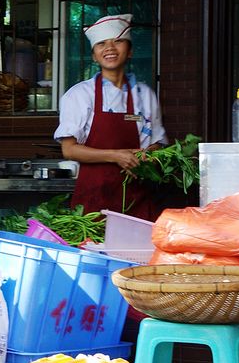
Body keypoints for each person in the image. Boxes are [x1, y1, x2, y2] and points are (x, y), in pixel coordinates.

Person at [54, 13, 168, 221]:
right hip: (94, 202)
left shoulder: (145, 95)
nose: (110, 48)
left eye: (118, 41)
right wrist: (116, 156)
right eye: (101, 44)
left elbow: (157, 145)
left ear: (130, 51)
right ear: (94, 56)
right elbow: (69, 149)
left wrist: (145, 157)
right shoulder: (79, 95)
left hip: (138, 199)